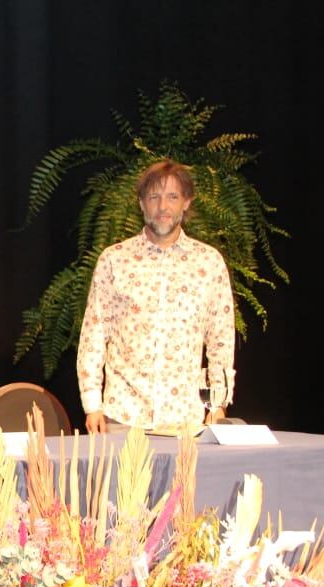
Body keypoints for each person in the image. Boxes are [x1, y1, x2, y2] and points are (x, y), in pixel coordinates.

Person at [76, 159, 235, 434]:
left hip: (186, 420)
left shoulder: (209, 263)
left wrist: (217, 403)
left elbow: (221, 339)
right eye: (154, 197)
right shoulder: (114, 260)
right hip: (122, 416)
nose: (163, 207)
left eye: (173, 197)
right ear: (141, 204)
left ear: (186, 202)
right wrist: (92, 403)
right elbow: (94, 334)